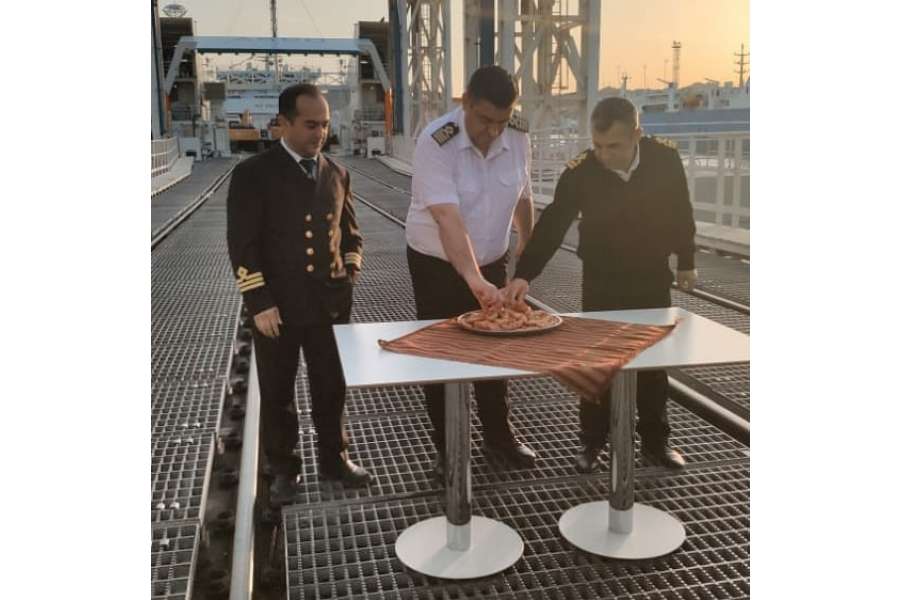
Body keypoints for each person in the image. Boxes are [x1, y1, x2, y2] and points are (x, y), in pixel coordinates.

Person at [505, 96, 698, 473]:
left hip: (650, 276)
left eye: (614, 146)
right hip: (602, 280)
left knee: (652, 363)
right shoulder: (582, 171)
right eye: (597, 145)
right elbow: (553, 223)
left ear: (637, 135)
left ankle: (656, 442)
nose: (604, 155)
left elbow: (680, 211)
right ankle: (592, 440)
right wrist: (524, 274)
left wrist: (687, 261)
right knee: (596, 364)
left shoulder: (664, 159)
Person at [226, 83, 373, 504]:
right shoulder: (254, 174)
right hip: (279, 308)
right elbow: (242, 244)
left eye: (324, 125)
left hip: (330, 305)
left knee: (331, 386)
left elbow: (350, 233)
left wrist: (351, 269)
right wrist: (259, 302)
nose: (320, 133)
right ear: (284, 123)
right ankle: (284, 470)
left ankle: (334, 458)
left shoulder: (337, 173)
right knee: (278, 392)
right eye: (310, 125)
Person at [407, 65, 538, 478]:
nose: (494, 131)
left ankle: (499, 437)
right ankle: (447, 448)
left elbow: (523, 193)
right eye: (484, 120)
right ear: (465, 102)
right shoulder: (436, 141)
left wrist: (526, 246)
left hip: (492, 259)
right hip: (437, 263)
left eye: (502, 121)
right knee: (440, 353)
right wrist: (473, 278)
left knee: (494, 352)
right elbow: (448, 218)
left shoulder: (518, 134)